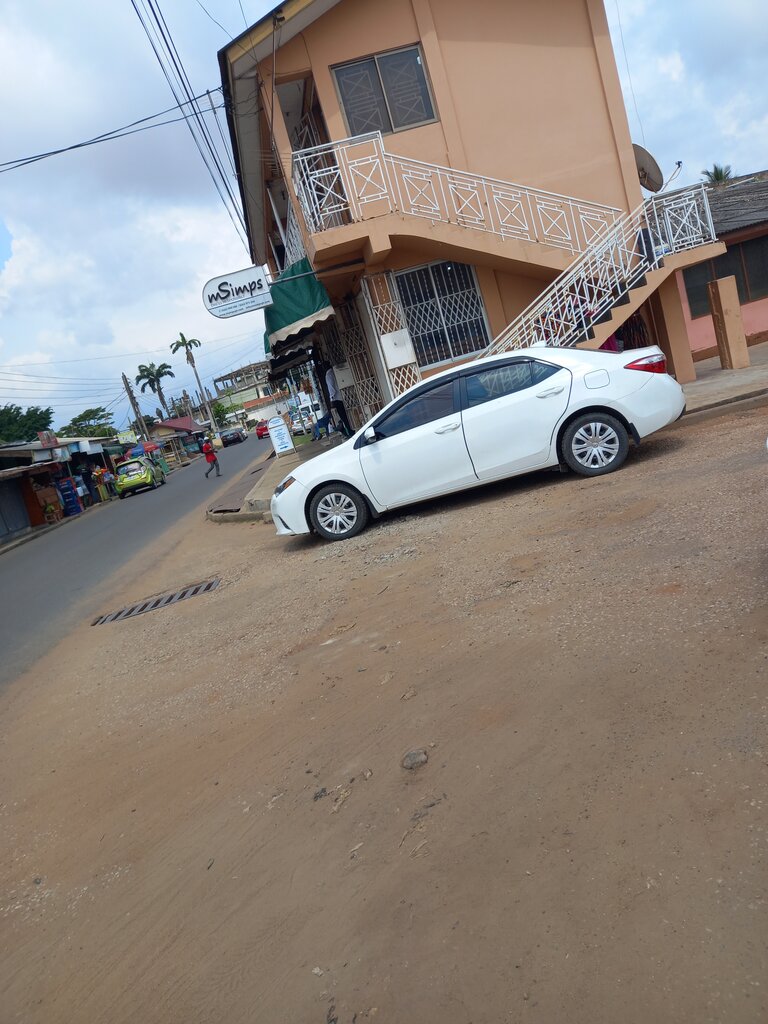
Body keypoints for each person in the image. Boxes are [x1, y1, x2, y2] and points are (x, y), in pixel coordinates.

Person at [325, 365, 354, 438]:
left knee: (343, 417)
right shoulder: (335, 371)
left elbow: (331, 388)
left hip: (337, 398)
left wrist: (331, 399)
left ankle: (349, 432)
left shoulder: (328, 374)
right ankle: (350, 430)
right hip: (343, 395)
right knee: (347, 415)